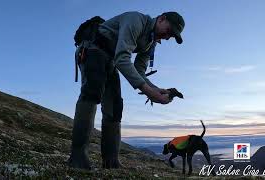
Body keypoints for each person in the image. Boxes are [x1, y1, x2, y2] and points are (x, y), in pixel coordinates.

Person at [68, 11, 185, 169]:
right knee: (92, 94)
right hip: (92, 49)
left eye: (172, 36)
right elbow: (122, 58)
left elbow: (139, 72)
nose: (168, 37)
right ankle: (77, 158)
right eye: (169, 31)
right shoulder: (136, 20)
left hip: (110, 59)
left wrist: (157, 90)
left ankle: (111, 161)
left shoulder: (151, 42)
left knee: (115, 107)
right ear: (161, 18)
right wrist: (150, 93)